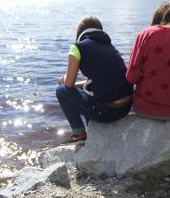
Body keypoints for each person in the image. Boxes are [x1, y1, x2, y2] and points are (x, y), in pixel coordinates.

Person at [56, 15, 133, 143]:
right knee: (88, 92)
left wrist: (64, 78)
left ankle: (79, 134)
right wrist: (75, 85)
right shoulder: (110, 46)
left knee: (61, 91)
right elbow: (99, 81)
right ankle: (91, 129)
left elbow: (68, 85)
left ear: (79, 33)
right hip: (125, 108)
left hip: (109, 112)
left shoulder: (77, 47)